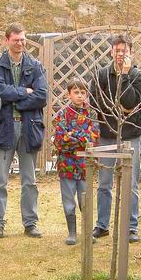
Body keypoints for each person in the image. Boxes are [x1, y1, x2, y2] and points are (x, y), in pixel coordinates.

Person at [0, 23, 47, 238]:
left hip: (29, 128)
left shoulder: (36, 66)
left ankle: (30, 222)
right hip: (3, 127)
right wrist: (24, 92)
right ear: (7, 40)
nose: (20, 43)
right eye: (16, 40)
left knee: (29, 179)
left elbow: (42, 96)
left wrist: (15, 100)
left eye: (23, 39)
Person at [90, 34, 141, 243]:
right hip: (107, 135)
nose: (121, 54)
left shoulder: (138, 76)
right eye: (117, 50)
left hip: (131, 137)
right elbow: (96, 103)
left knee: (130, 184)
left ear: (131, 52)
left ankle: (131, 227)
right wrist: (119, 109)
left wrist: (124, 76)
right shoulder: (101, 75)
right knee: (104, 183)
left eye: (125, 51)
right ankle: (102, 225)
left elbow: (131, 103)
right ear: (111, 51)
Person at [52, 78, 100, 245]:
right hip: (67, 164)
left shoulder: (92, 114)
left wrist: (72, 134)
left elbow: (93, 137)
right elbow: (60, 140)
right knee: (68, 200)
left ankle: (87, 232)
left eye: (83, 92)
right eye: (76, 92)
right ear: (69, 94)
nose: (80, 96)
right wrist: (80, 137)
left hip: (85, 165)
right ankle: (72, 232)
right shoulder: (62, 114)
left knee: (85, 199)